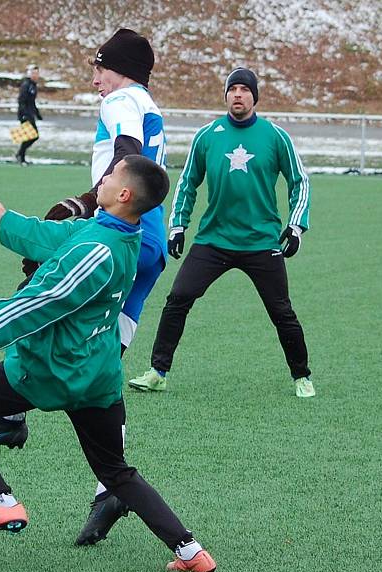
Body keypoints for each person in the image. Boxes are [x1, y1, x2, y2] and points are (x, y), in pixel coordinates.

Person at [0, 155, 216, 572]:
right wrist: (7, 221)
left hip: (53, 371)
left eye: (111, 174)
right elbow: (54, 237)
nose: (101, 178)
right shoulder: (117, 232)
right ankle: (191, 552)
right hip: (97, 375)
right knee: (115, 471)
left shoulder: (96, 250)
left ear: (123, 193)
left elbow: (30, 306)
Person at [0, 28, 169, 546]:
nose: (94, 79)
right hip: (148, 245)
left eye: (100, 68)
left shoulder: (122, 100)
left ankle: (12, 413)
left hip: (118, 234)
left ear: (120, 68)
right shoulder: (147, 100)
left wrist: (84, 204)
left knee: (43, 301)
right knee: (102, 366)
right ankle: (109, 488)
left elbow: (127, 154)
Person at [128, 67, 316, 400]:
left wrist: (296, 225)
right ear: (226, 95)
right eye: (233, 89)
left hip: (261, 242)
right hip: (214, 240)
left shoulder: (275, 136)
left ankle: (301, 376)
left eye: (245, 89)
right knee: (178, 299)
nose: (238, 94)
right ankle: (158, 372)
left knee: (281, 312)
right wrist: (179, 226)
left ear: (254, 97)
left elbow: (299, 182)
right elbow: (187, 183)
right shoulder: (207, 135)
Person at [14, 65, 41, 166]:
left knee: (32, 136)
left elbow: (32, 102)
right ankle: (21, 155)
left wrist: (37, 114)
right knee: (31, 136)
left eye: (37, 73)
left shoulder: (33, 85)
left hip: (30, 114)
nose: (36, 75)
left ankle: (20, 155)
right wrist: (23, 114)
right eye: (34, 73)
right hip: (25, 115)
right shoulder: (26, 85)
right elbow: (21, 100)